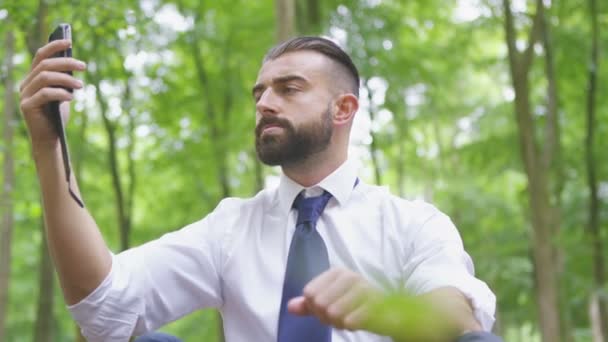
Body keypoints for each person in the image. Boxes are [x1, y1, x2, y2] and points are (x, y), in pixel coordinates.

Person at [19, 35, 501, 342]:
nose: (265, 103)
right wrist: (48, 147)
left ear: (343, 110)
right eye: (260, 93)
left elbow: (459, 322)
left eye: (289, 89)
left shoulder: (412, 223)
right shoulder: (230, 227)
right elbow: (102, 307)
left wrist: (386, 311)